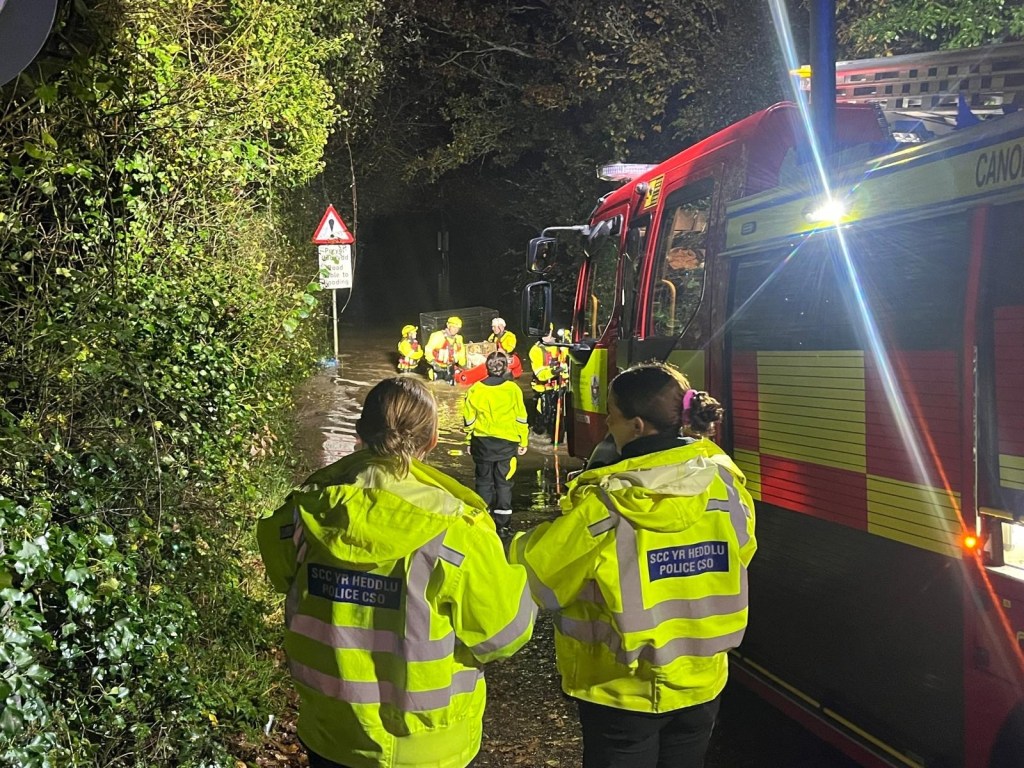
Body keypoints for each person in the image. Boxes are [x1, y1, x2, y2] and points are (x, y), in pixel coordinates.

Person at [257, 377, 536, 768]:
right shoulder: (458, 531)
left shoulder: (305, 514)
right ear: (432, 439)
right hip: (430, 749)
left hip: (333, 737)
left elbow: (279, 570)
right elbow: (504, 637)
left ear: (360, 431)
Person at [509, 361, 757, 768]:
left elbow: (538, 579)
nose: (607, 422)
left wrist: (526, 540)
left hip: (620, 691)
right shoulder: (725, 486)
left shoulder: (605, 505)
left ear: (637, 426)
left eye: (612, 414)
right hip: (701, 684)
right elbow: (741, 553)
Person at [461, 351, 529, 538]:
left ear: (486, 368)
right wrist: (523, 440)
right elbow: (521, 417)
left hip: (482, 443)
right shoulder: (513, 390)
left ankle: (483, 521)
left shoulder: (475, 390)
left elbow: (469, 419)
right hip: (507, 444)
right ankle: (503, 527)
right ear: (506, 368)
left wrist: (469, 440)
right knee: (503, 483)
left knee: (483, 481)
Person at [528, 327, 569, 437]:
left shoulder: (562, 347)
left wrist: (567, 339)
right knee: (542, 422)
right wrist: (554, 371)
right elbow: (540, 374)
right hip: (543, 390)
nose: (546, 335)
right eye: (543, 333)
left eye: (548, 332)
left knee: (560, 422)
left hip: (561, 388)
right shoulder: (536, 350)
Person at [425, 316, 467, 383]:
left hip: (450, 367)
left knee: (450, 384)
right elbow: (428, 350)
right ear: (448, 325)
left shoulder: (458, 338)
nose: (455, 330)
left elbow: (461, 352)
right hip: (438, 368)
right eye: (453, 327)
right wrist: (433, 363)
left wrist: (463, 365)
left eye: (457, 328)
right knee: (437, 385)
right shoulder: (437, 336)